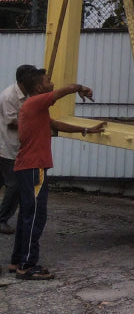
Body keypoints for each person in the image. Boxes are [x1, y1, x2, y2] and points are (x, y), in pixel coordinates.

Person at [9, 67, 105, 280]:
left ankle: (17, 261)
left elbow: (55, 125)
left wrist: (87, 130)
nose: (52, 83)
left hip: (28, 167)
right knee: (35, 216)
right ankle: (27, 265)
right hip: (34, 168)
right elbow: (65, 90)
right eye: (48, 80)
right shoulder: (36, 102)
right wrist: (80, 88)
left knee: (28, 216)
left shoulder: (34, 108)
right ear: (39, 87)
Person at [0, 65, 38, 234]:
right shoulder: (9, 96)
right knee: (14, 185)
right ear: (22, 80)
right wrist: (35, 124)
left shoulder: (29, 92)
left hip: (18, 146)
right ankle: (2, 219)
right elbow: (11, 122)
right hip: (8, 147)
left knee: (4, 181)